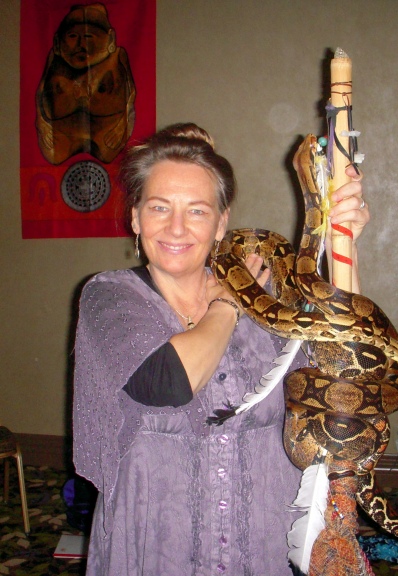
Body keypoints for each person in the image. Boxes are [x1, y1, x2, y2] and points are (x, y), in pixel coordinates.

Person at [73, 123, 369, 576]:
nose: (176, 227)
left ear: (221, 223)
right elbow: (166, 382)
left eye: (197, 211)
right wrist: (229, 304)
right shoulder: (109, 297)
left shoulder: (274, 304)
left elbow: (346, 370)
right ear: (135, 218)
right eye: (159, 207)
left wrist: (347, 247)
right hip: (157, 543)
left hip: (264, 541)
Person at [36, 3, 136, 165]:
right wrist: (42, 124)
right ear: (58, 41)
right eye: (72, 36)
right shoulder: (54, 60)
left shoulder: (118, 57)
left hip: (106, 133)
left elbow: (131, 95)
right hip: (62, 135)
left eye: (89, 36)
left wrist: (121, 126)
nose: (81, 45)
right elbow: (40, 94)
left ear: (110, 39)